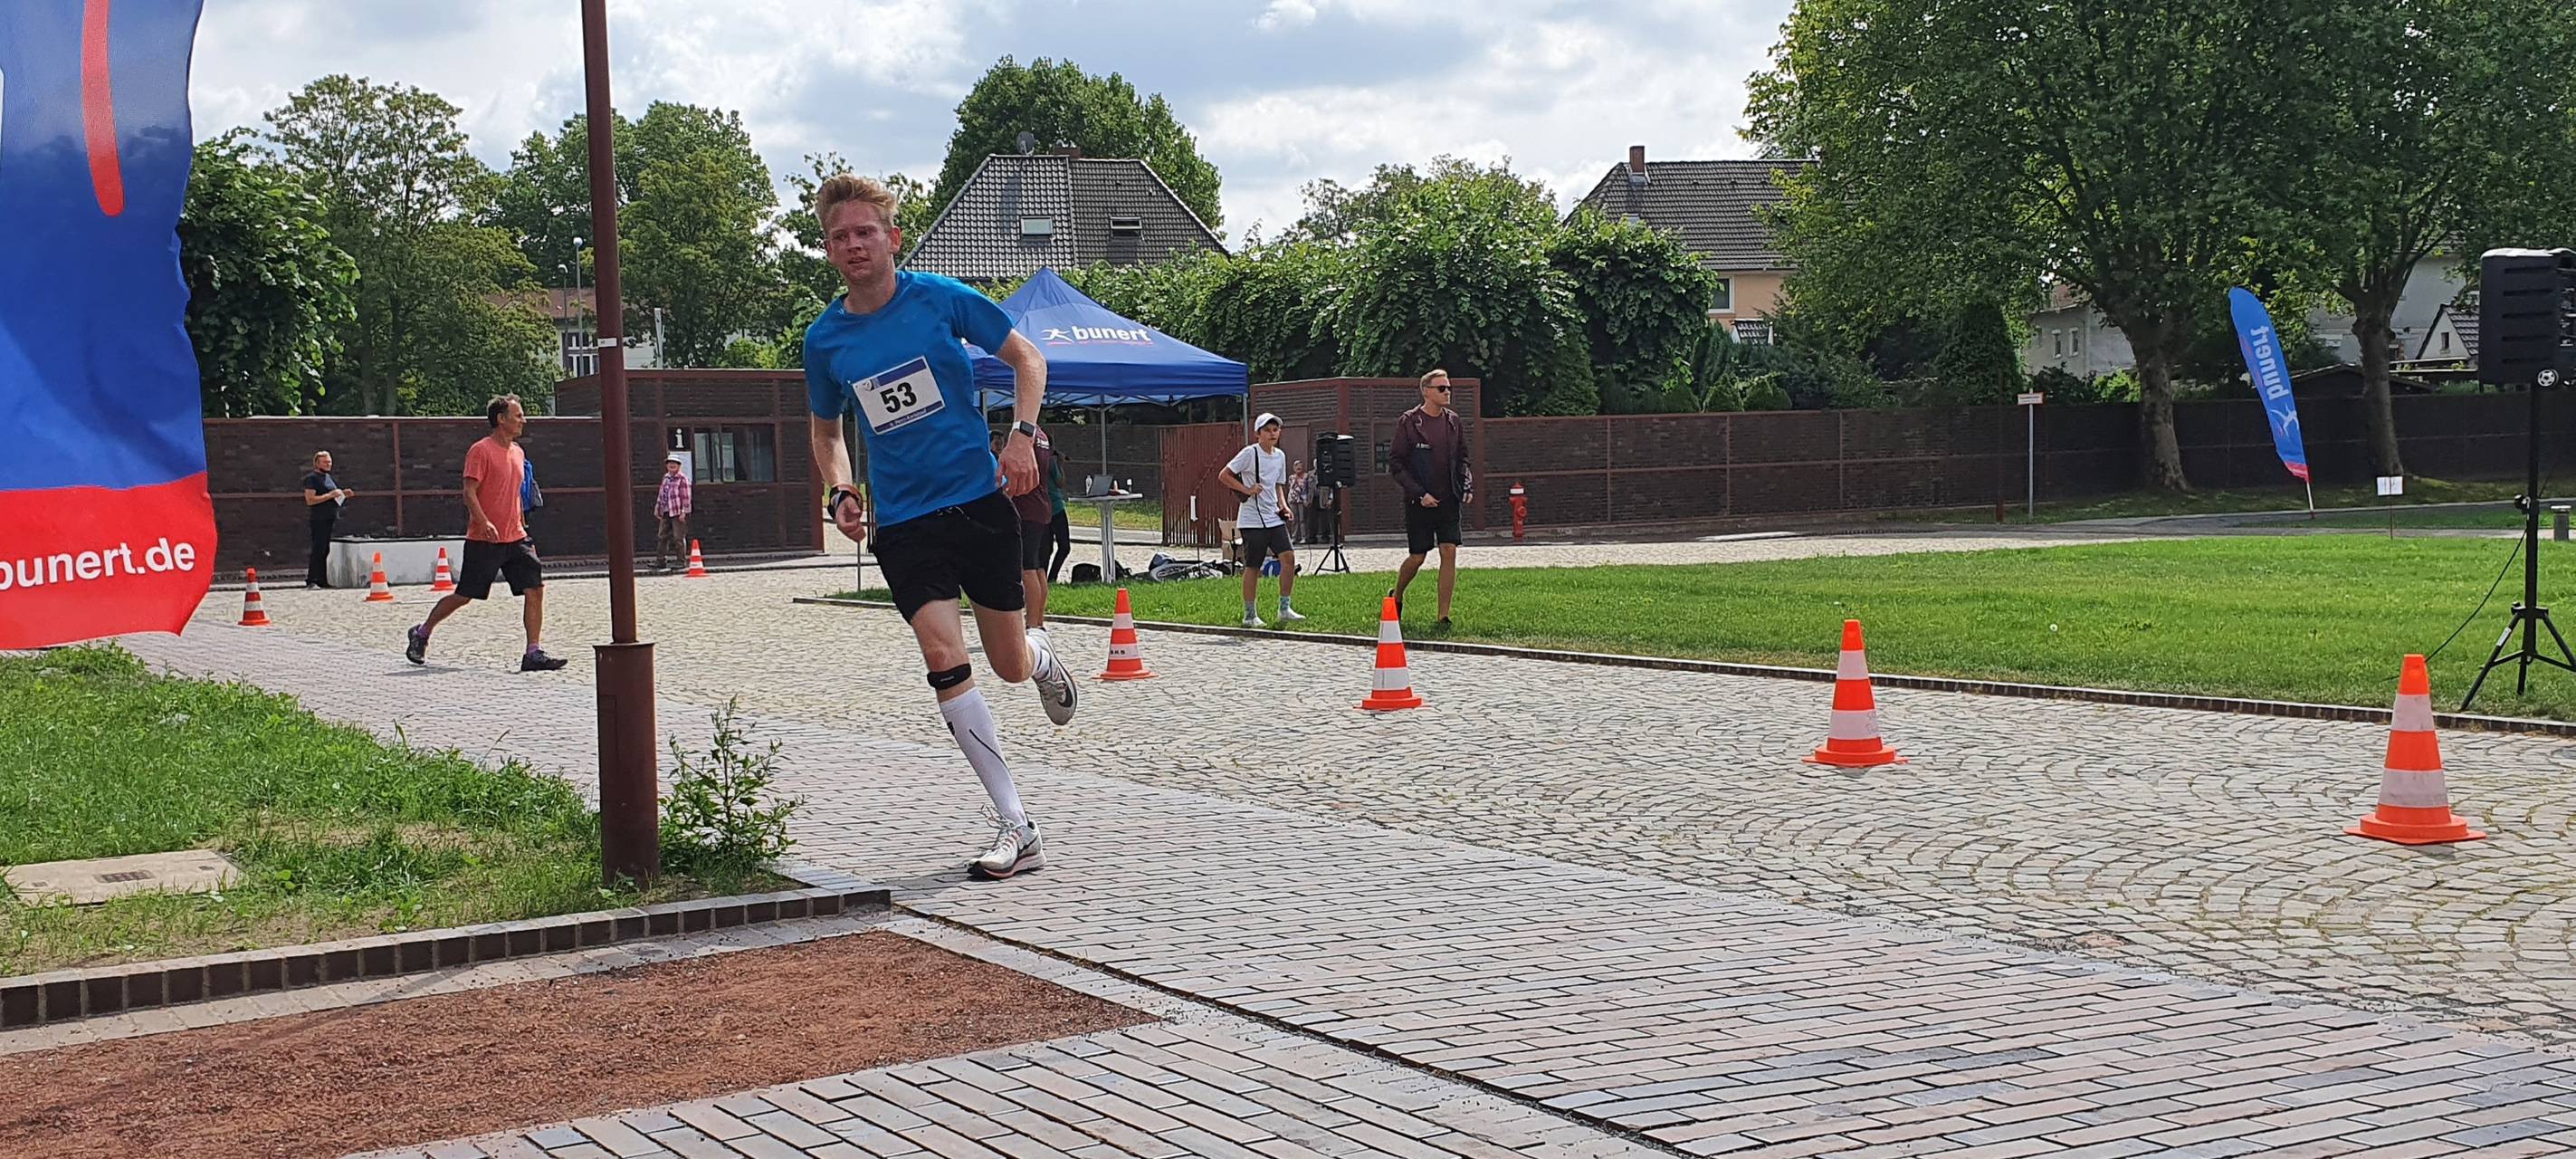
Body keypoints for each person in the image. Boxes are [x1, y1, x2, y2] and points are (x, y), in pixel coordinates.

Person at [802, 174, 1077, 882]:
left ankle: (1041, 656)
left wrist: (1020, 437)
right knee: (941, 654)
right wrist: (840, 489)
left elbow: (1029, 359)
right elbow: (826, 430)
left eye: (866, 232)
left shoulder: (943, 299)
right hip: (903, 520)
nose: (854, 245)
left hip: (977, 504)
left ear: (892, 239)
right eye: (840, 236)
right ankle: (1017, 823)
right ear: (829, 251)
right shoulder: (826, 339)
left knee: (1008, 664)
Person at [405, 395, 568, 672]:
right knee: (465, 595)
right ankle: (421, 633)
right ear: (501, 419)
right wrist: (484, 523)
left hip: (516, 537)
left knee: (535, 588)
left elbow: (515, 493)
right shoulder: (480, 451)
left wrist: (520, 524)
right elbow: (469, 493)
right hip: (484, 539)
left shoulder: (518, 452)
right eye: (518, 415)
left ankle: (533, 652)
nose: (523, 420)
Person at [1390, 368, 1474, 627]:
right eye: (1441, 388)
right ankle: (1398, 594)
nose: (1447, 392)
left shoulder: (1453, 421)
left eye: (1448, 388)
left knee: (1449, 550)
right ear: (1426, 391)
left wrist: (1467, 484)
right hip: (1420, 501)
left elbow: (1462, 458)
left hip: (1448, 498)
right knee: (1418, 556)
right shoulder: (1409, 422)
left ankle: (1443, 616)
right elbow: (1396, 464)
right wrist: (1419, 493)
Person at [1223, 413, 1304, 627]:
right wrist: (1247, 489)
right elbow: (1225, 475)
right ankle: (1249, 615)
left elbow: (1278, 485)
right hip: (1252, 520)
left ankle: (1284, 608)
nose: (1272, 434)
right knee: (1253, 566)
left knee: (1288, 558)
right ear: (1258, 433)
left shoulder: (1280, 456)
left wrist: (1284, 506)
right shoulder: (1250, 453)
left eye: (1275, 430)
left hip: (1273, 517)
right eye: (1267, 430)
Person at [1000, 427, 1060, 627]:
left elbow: (1010, 473)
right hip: (1042, 505)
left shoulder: (1023, 436)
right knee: (1038, 567)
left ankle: (1032, 623)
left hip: (1026, 507)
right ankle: (1038, 620)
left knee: (1027, 568)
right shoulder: (1042, 436)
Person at [301, 450, 351, 589]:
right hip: (319, 518)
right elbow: (310, 500)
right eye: (325, 462)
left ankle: (322, 579)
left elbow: (332, 496)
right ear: (317, 464)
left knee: (325, 549)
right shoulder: (312, 478)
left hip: (330, 517)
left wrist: (343, 494)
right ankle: (312, 579)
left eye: (330, 462)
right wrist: (330, 495)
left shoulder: (328, 478)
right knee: (318, 548)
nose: (329, 464)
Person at [654, 454, 692, 570]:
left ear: (679, 466)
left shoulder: (682, 479)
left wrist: (684, 512)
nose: (672, 465)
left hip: (677, 511)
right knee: (662, 536)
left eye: (674, 463)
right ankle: (660, 561)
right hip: (666, 511)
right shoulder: (666, 478)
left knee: (678, 537)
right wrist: (658, 506)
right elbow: (662, 494)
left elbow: (686, 496)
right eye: (670, 463)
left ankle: (681, 561)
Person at [1044, 430, 1073, 584]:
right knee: (1064, 546)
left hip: (1042, 508)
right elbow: (1060, 483)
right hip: (1056, 507)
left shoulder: (1038, 460)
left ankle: (1043, 578)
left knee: (1046, 548)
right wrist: (1060, 464)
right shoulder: (1052, 462)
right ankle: (1052, 577)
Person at [1286, 459, 1313, 545]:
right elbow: (1290, 487)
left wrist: (1307, 499)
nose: (1298, 468)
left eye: (1299, 466)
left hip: (1302, 500)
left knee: (1302, 519)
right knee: (1294, 519)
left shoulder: (1306, 476)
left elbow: (1308, 489)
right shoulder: (1291, 477)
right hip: (1293, 500)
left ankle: (1304, 537)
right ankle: (1294, 537)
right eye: (1296, 466)